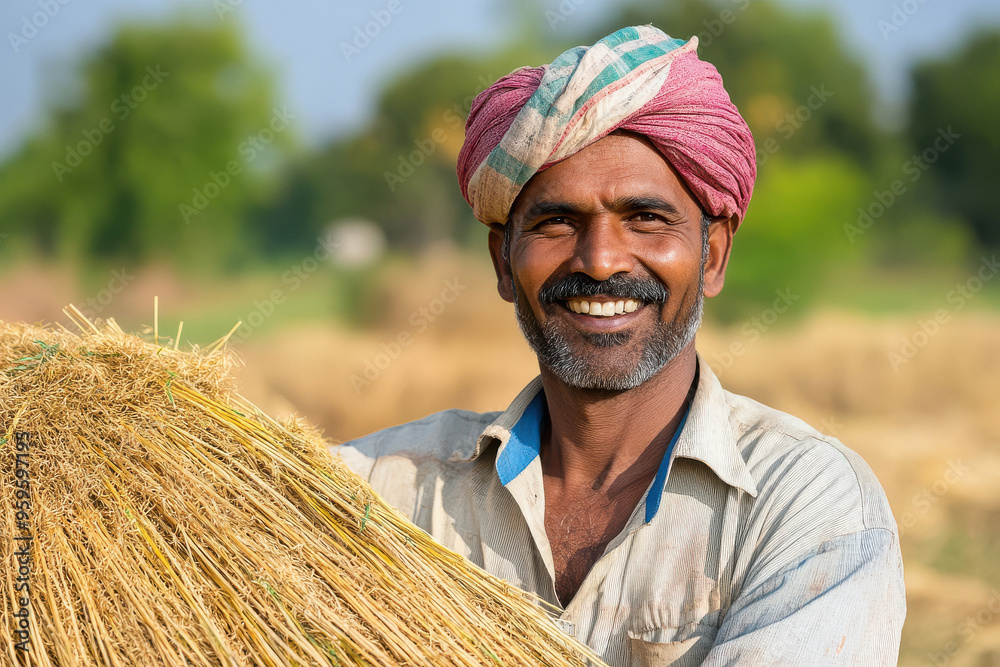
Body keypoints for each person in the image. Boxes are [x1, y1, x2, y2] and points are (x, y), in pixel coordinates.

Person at [334, 25, 905, 666]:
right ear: (502, 260)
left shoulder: (804, 505)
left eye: (646, 219)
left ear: (712, 256)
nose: (602, 261)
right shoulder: (380, 491)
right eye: (557, 222)